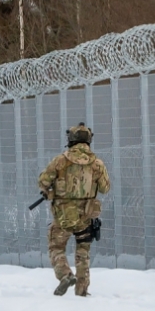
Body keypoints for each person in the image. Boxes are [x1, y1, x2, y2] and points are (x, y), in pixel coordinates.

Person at [38, 122, 111, 296]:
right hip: (86, 215)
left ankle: (65, 275)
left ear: (71, 140)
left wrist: (52, 191)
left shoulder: (60, 161)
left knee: (56, 247)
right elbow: (105, 188)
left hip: (63, 215)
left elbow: (43, 181)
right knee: (83, 252)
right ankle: (82, 290)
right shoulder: (97, 164)